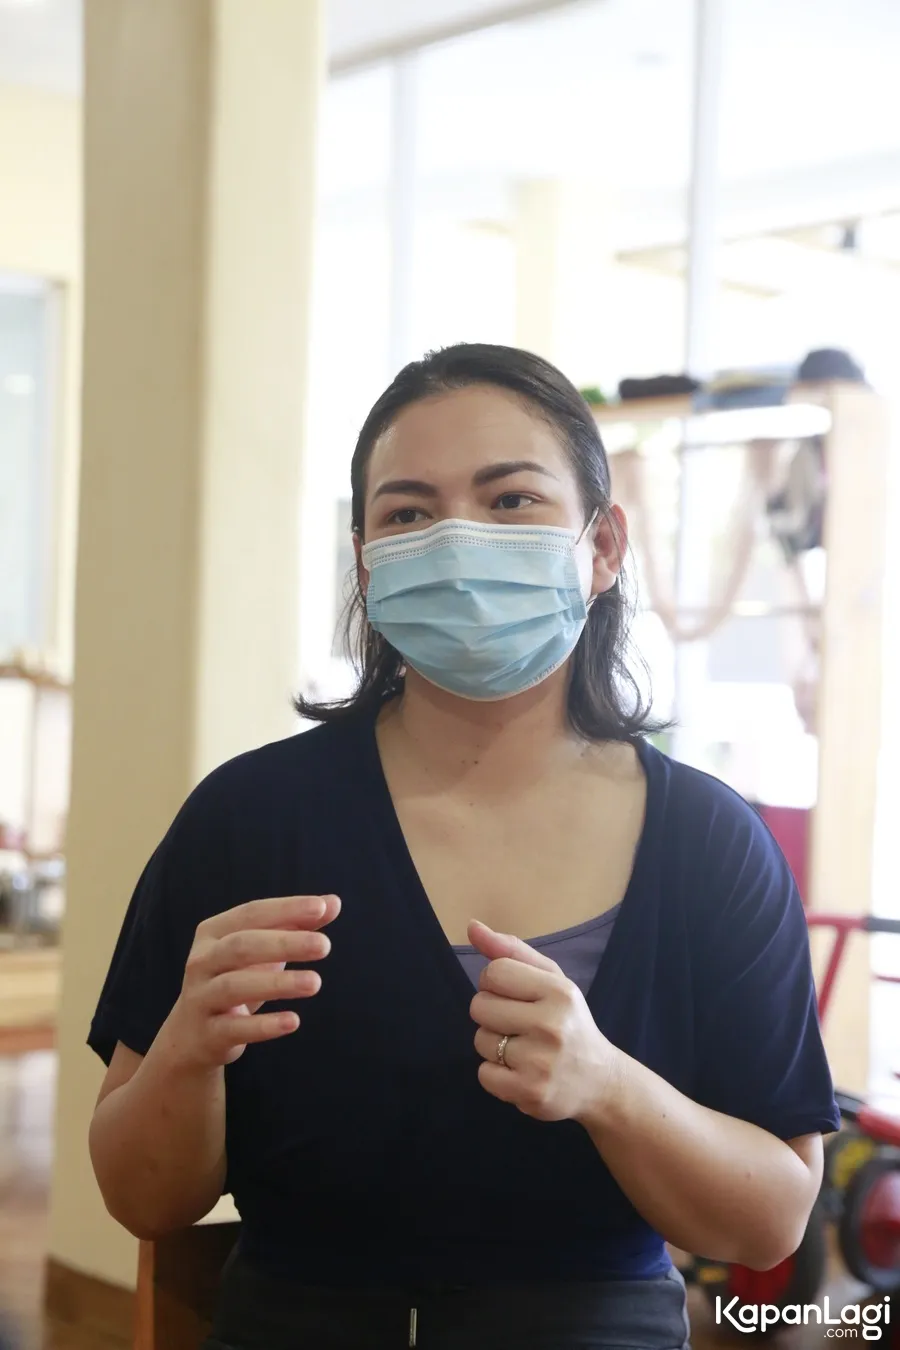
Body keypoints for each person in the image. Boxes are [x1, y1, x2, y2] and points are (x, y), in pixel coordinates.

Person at [87, 344, 840, 1350]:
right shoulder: (249, 820)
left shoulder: (710, 845)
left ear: (604, 545)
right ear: (366, 560)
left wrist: (607, 1085)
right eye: (408, 514)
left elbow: (770, 1219)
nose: (456, 543)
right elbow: (141, 1200)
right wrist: (186, 1051)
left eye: (511, 500)